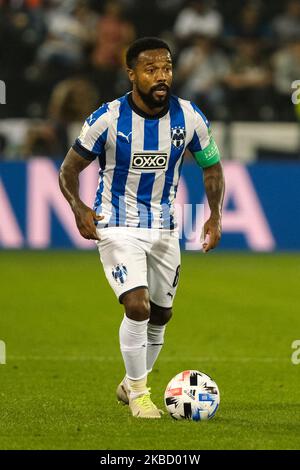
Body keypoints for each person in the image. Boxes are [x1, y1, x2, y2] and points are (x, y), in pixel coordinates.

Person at [59, 37, 225, 419]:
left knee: (162, 315)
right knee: (137, 307)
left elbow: (212, 167)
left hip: (164, 228)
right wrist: (79, 206)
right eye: (151, 70)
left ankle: (131, 381)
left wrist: (214, 215)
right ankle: (138, 394)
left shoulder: (190, 117)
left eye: (166, 68)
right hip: (116, 223)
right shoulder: (107, 119)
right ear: (131, 74)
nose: (161, 76)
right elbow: (69, 170)